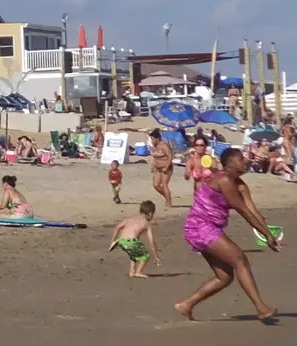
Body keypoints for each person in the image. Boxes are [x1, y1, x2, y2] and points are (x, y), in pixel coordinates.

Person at [174, 150, 279, 323]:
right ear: (229, 163)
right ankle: (261, 308)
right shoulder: (223, 180)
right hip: (199, 227)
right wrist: (265, 234)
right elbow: (242, 210)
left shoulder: (241, 185)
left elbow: (252, 211)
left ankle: (186, 305)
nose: (245, 161)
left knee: (225, 277)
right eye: (240, 159)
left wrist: (268, 233)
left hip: (208, 228)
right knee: (240, 259)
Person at [110, 200, 160, 279]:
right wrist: (156, 256)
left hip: (121, 241)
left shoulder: (130, 219)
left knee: (133, 254)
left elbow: (117, 227)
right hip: (131, 241)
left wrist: (113, 241)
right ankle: (138, 272)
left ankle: (132, 271)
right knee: (145, 255)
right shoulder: (146, 223)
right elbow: (151, 241)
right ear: (150, 214)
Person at [148, 131, 175, 207]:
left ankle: (169, 202)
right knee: (156, 185)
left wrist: (166, 167)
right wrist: (153, 166)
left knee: (164, 184)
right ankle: (167, 197)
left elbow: (170, 156)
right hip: (157, 168)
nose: (152, 140)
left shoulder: (164, 145)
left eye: (153, 139)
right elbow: (154, 157)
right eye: (151, 139)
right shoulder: (154, 146)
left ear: (158, 138)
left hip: (166, 167)